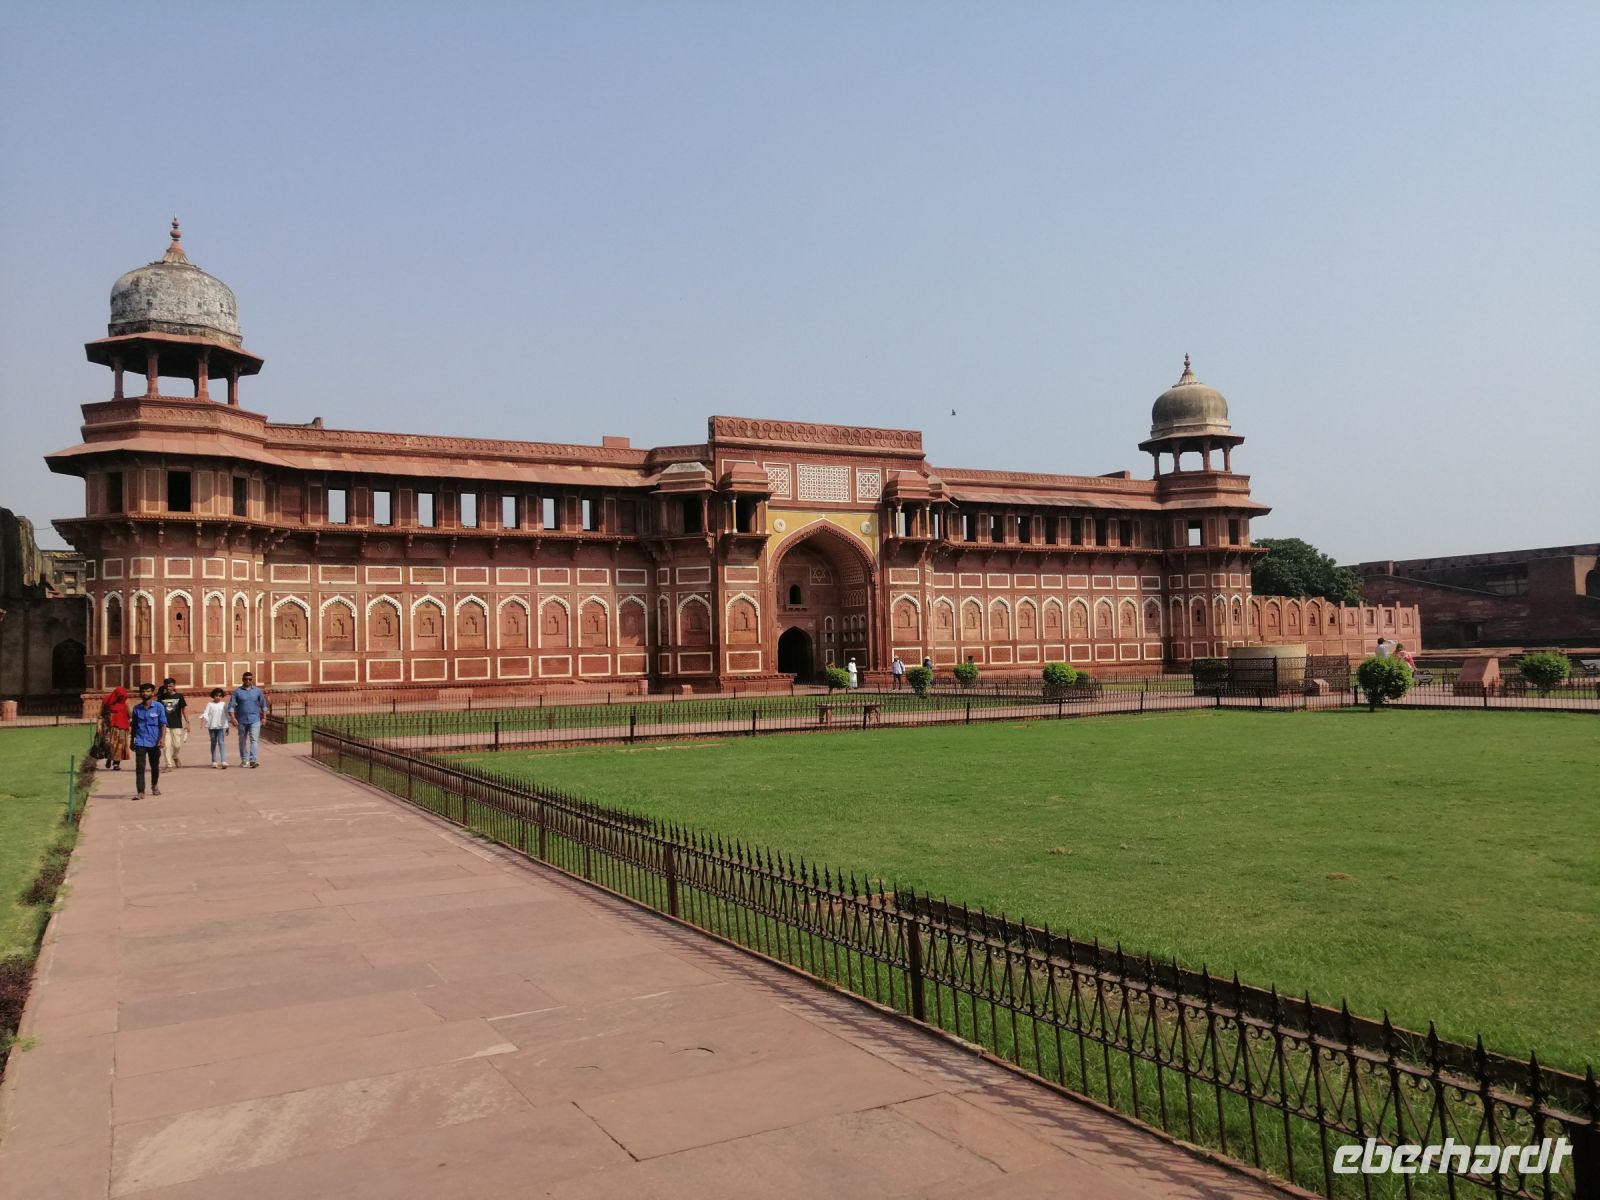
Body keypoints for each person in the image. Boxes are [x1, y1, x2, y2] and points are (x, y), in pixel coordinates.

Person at [129, 682, 168, 799]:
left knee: (154, 766)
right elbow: (134, 726)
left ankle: (154, 785)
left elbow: (163, 724)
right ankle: (140, 791)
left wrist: (162, 739)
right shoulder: (137, 708)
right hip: (140, 741)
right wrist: (132, 741)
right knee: (140, 767)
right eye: (143, 691)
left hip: (154, 741)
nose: (145, 693)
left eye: (148, 691)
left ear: (153, 693)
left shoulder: (159, 707)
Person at [227, 671, 269, 768]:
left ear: (252, 680)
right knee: (242, 740)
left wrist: (264, 717)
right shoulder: (237, 692)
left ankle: (253, 760)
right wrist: (233, 718)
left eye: (250, 679)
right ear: (242, 679)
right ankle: (244, 759)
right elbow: (231, 706)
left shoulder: (257, 691)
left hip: (255, 719)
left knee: (254, 740)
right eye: (246, 679)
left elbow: (263, 705)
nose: (248, 681)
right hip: (241, 720)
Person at [157, 679, 189, 770]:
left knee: (177, 745)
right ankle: (169, 765)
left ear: (174, 686)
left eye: (170, 686)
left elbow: (184, 710)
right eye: (166, 686)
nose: (168, 688)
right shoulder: (161, 697)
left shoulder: (179, 696)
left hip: (176, 723)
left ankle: (175, 756)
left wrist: (187, 722)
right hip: (164, 725)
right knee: (166, 746)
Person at [98, 685, 131, 771]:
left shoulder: (125, 701)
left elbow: (130, 714)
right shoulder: (106, 700)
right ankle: (109, 758)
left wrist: (127, 705)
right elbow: (101, 714)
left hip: (122, 726)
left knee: (119, 746)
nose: (121, 698)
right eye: (119, 696)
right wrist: (98, 725)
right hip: (109, 726)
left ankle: (116, 764)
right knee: (109, 744)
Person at [202, 687, 230, 769]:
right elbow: (206, 713)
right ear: (213, 696)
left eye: (220, 695)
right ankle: (214, 761)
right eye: (216, 695)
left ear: (222, 696)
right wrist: (206, 719)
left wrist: (228, 726)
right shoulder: (210, 704)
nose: (218, 697)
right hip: (212, 726)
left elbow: (227, 715)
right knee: (213, 743)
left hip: (221, 726)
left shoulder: (224, 704)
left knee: (221, 742)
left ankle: (223, 761)